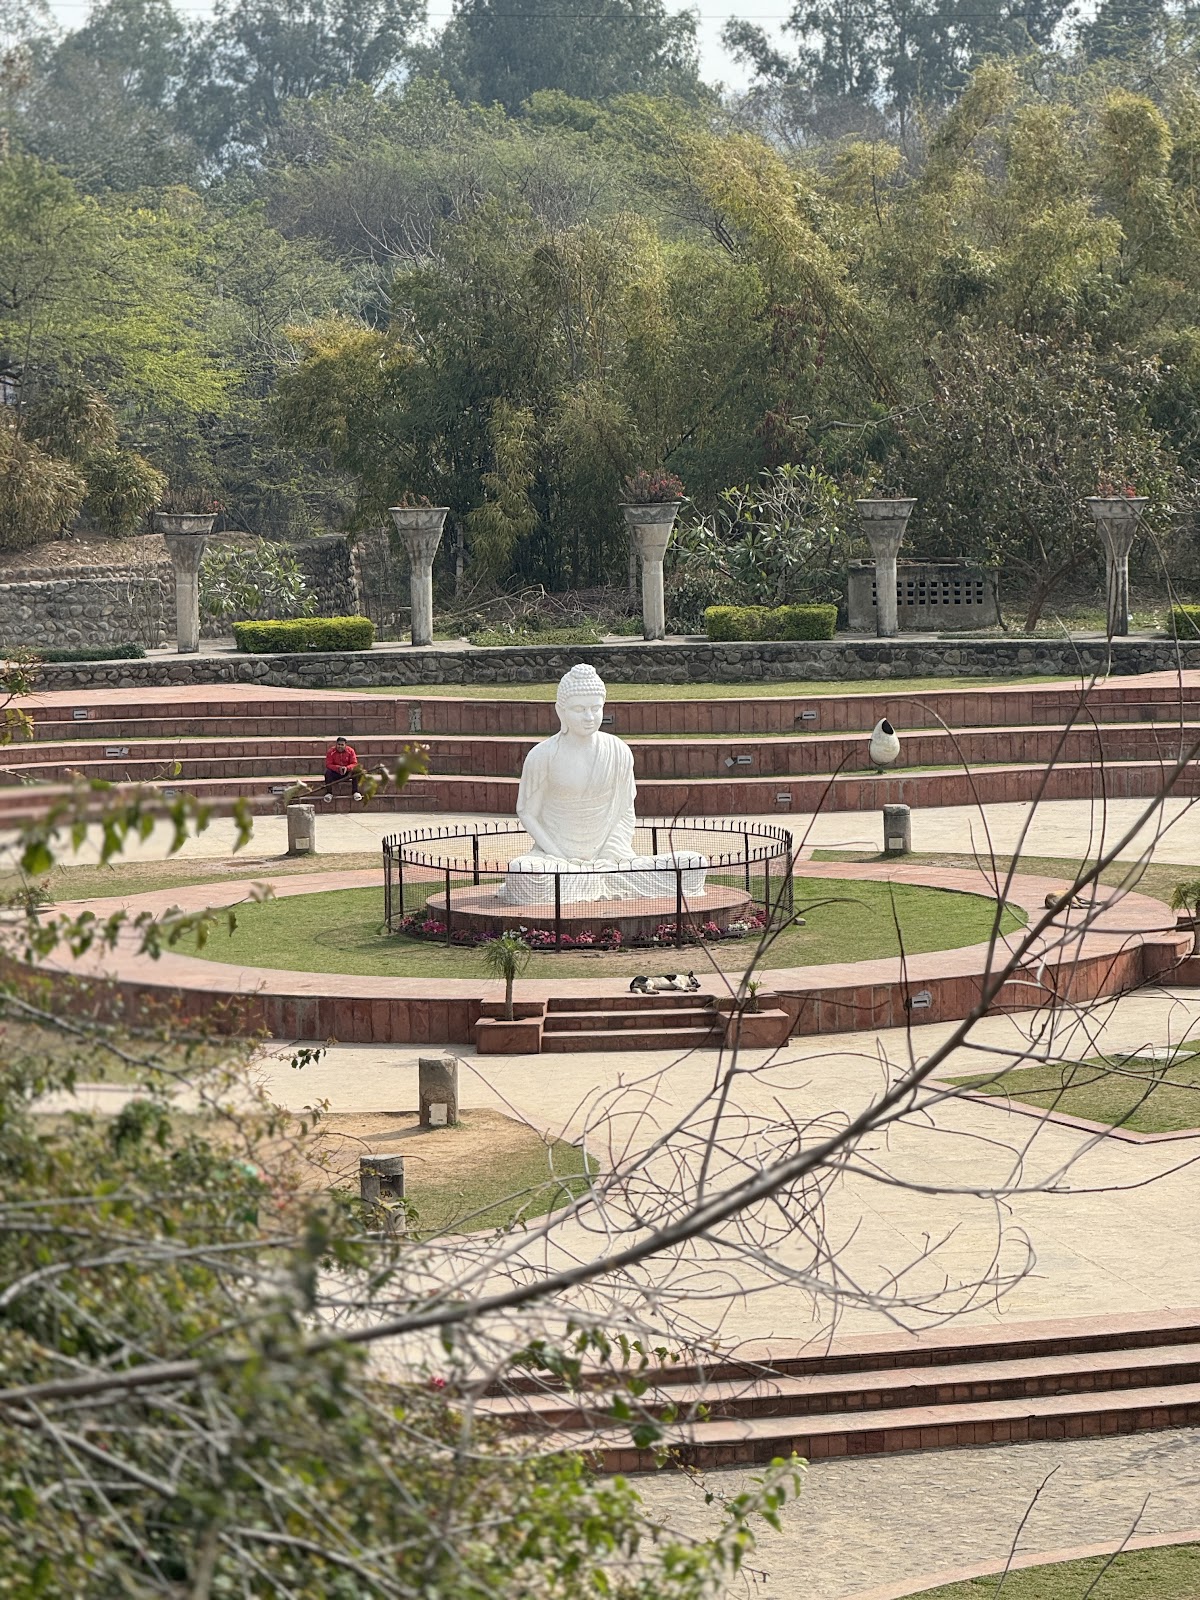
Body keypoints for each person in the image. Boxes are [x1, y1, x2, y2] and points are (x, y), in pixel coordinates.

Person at [322, 735, 363, 802]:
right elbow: (328, 764)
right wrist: (338, 768)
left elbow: (354, 763)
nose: (340, 746)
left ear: (345, 745)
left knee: (357, 771)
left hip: (347, 773)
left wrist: (347, 768)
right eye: (338, 744)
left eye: (342, 745)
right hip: (335, 773)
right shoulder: (331, 751)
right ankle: (329, 793)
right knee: (327, 772)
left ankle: (355, 792)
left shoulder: (351, 751)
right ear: (336, 744)